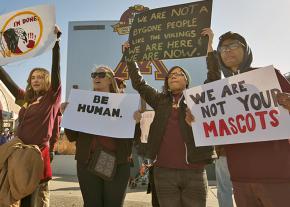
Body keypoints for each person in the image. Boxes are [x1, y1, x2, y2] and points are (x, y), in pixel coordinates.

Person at [123, 28, 218, 207]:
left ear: (187, 81)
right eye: (171, 75)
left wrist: (210, 47)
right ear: (166, 82)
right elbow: (139, 83)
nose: (174, 76)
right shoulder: (160, 100)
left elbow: (214, 78)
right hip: (163, 172)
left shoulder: (197, 99)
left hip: (195, 171)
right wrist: (130, 56)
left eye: (179, 74)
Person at [214, 31, 290, 207]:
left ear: (246, 49)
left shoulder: (270, 76)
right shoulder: (217, 92)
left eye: (233, 45)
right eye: (223, 48)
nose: (227, 50)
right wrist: (194, 121)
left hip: (277, 176)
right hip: (240, 178)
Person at [0, 25, 62, 207]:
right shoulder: (25, 99)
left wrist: (56, 44)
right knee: (12, 192)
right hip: (17, 151)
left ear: (48, 81)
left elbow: (56, 72)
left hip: (36, 154)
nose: (36, 80)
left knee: (31, 197)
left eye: (41, 77)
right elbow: (7, 81)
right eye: (33, 77)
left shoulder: (52, 98)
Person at [64, 66, 134, 207]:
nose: (96, 77)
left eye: (101, 74)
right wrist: (68, 115)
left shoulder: (124, 103)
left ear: (110, 79)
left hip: (118, 163)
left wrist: (136, 122)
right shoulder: (83, 102)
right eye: (94, 74)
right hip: (87, 162)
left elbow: (135, 137)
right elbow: (71, 136)